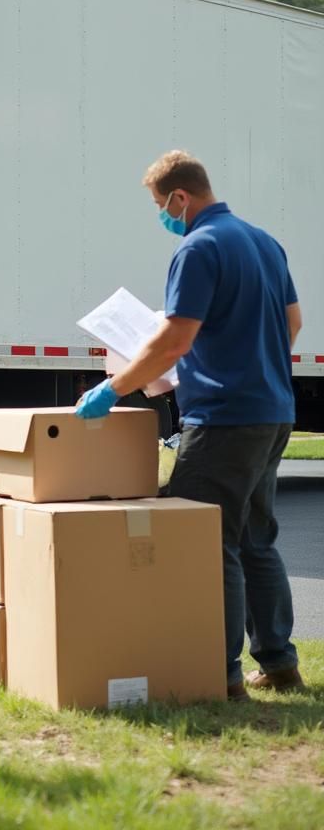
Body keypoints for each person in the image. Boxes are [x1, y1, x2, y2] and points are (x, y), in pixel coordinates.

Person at [76, 150, 304, 701]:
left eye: (161, 206)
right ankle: (278, 663)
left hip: (224, 419)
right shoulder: (263, 241)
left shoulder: (198, 248)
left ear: (181, 197)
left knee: (208, 542)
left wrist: (116, 387)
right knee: (256, 538)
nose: (163, 217)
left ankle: (217, 673)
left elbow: (174, 338)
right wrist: (249, 364)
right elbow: (293, 322)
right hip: (272, 411)